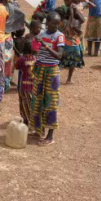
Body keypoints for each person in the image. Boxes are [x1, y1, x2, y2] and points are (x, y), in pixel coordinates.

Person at [32, 12, 64, 145]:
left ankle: (50, 136)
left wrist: (45, 45)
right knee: (38, 100)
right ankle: (40, 130)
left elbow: (59, 55)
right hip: (40, 70)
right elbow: (36, 51)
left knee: (51, 102)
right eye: (53, 23)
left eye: (58, 23)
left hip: (52, 72)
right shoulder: (42, 35)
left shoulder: (59, 36)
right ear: (47, 22)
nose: (56, 26)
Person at [16, 22, 41, 125]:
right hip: (34, 86)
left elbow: (16, 67)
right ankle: (34, 121)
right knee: (32, 103)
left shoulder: (22, 59)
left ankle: (26, 120)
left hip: (24, 86)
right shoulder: (36, 59)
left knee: (24, 103)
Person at [60, 0, 85, 84]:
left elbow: (71, 16)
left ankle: (68, 79)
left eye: (66, 1)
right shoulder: (74, 9)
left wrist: (68, 26)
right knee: (72, 61)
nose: (65, 2)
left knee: (68, 60)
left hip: (71, 42)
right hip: (73, 42)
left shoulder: (71, 8)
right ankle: (69, 79)